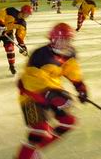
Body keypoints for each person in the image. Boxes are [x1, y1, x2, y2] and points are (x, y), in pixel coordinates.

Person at [16, 23, 88, 159]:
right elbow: (29, 81)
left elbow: (72, 70)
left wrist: (80, 86)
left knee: (69, 121)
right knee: (40, 130)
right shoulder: (40, 55)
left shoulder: (70, 53)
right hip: (30, 95)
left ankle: (34, 152)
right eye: (61, 39)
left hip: (54, 92)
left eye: (68, 40)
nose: (65, 43)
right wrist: (50, 94)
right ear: (53, 39)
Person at [0, 5, 32, 74]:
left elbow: (20, 35)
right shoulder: (11, 11)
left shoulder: (22, 23)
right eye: (28, 14)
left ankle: (12, 66)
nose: (28, 16)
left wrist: (22, 46)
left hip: (7, 34)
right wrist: (1, 26)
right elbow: (0, 13)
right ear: (24, 12)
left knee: (10, 48)